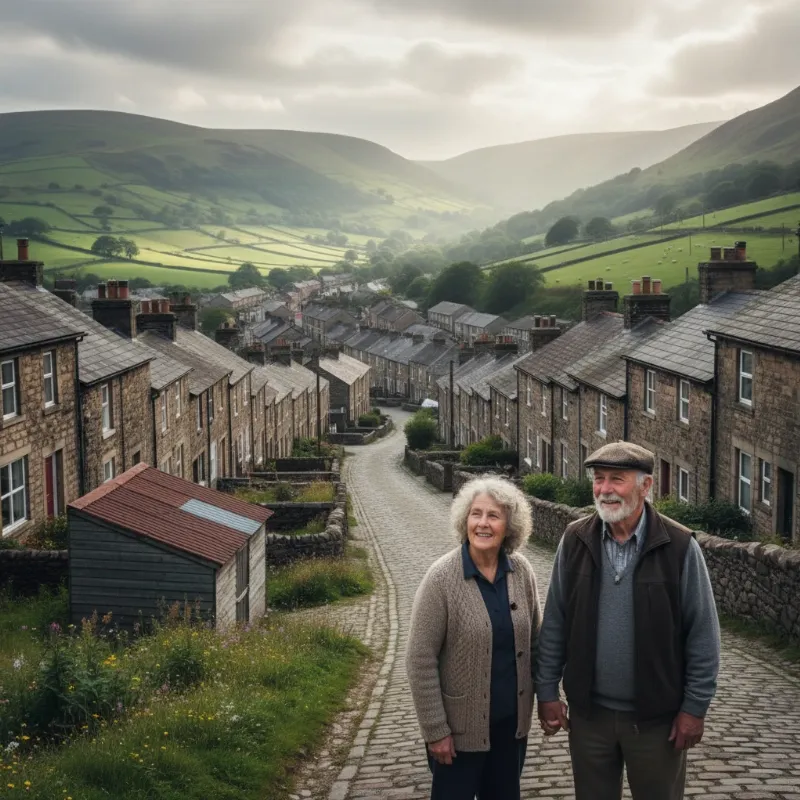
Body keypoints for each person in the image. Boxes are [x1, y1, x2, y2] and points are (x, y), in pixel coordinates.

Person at [536, 441, 721, 800]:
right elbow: (556, 620)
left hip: (656, 721)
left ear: (645, 485)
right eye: (599, 478)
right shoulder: (575, 540)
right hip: (589, 719)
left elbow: (702, 635)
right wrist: (546, 690)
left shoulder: (680, 546)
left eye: (616, 479)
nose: (604, 489)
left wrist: (694, 708)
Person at [406, 475, 542, 800]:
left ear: (509, 525)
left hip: (511, 730)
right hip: (459, 735)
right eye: (476, 513)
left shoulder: (521, 572)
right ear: (464, 519)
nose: (483, 523)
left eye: (493, 516)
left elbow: (537, 645)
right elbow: (419, 660)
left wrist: (548, 698)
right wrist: (436, 731)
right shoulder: (441, 578)